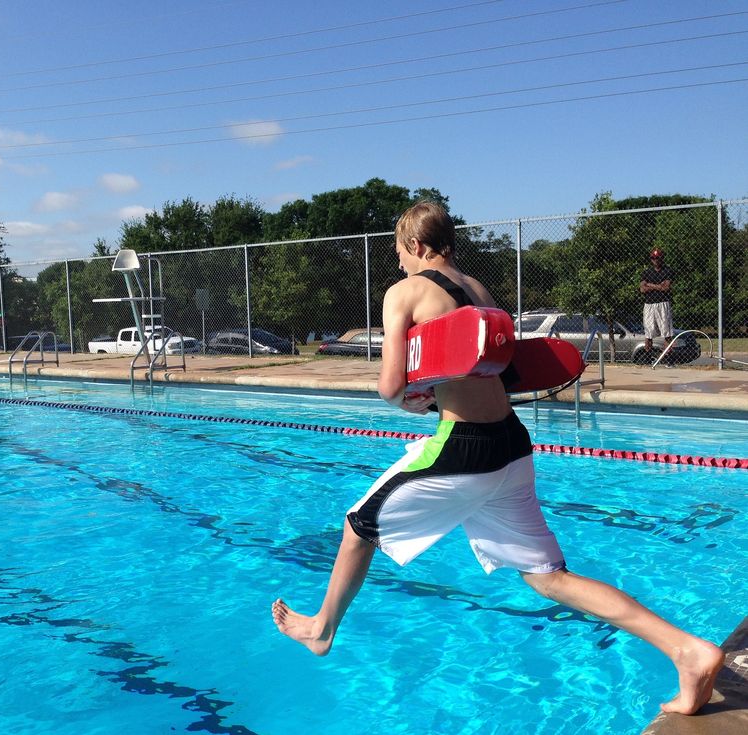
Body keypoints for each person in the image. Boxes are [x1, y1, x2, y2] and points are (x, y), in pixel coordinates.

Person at [271, 202, 723, 716]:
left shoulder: (404, 292)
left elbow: (391, 385)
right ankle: (686, 650)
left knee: (358, 527)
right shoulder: (481, 292)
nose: (397, 264)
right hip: (511, 443)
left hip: (464, 448)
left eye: (398, 252)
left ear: (416, 247)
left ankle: (321, 630)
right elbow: (489, 370)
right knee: (550, 578)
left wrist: (409, 400)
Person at [640, 248, 674, 353]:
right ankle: (648, 357)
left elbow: (666, 288)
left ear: (661, 258)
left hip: (663, 303)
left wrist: (649, 284)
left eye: (657, 258)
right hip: (649, 304)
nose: (655, 260)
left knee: (667, 333)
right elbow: (642, 289)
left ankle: (669, 359)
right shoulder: (646, 272)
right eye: (653, 258)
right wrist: (658, 286)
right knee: (648, 333)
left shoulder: (667, 271)